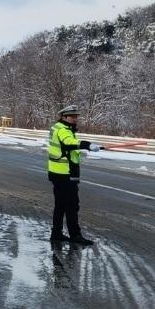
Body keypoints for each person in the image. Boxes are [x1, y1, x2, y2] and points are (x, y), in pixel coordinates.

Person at [47, 105, 101, 246]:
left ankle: (56, 234)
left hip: (58, 172)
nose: (75, 119)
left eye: (76, 116)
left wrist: (85, 146)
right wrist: (87, 145)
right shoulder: (63, 130)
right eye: (72, 116)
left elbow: (68, 145)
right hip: (65, 174)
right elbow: (69, 143)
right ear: (63, 117)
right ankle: (75, 235)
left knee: (60, 205)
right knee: (71, 205)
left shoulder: (58, 127)